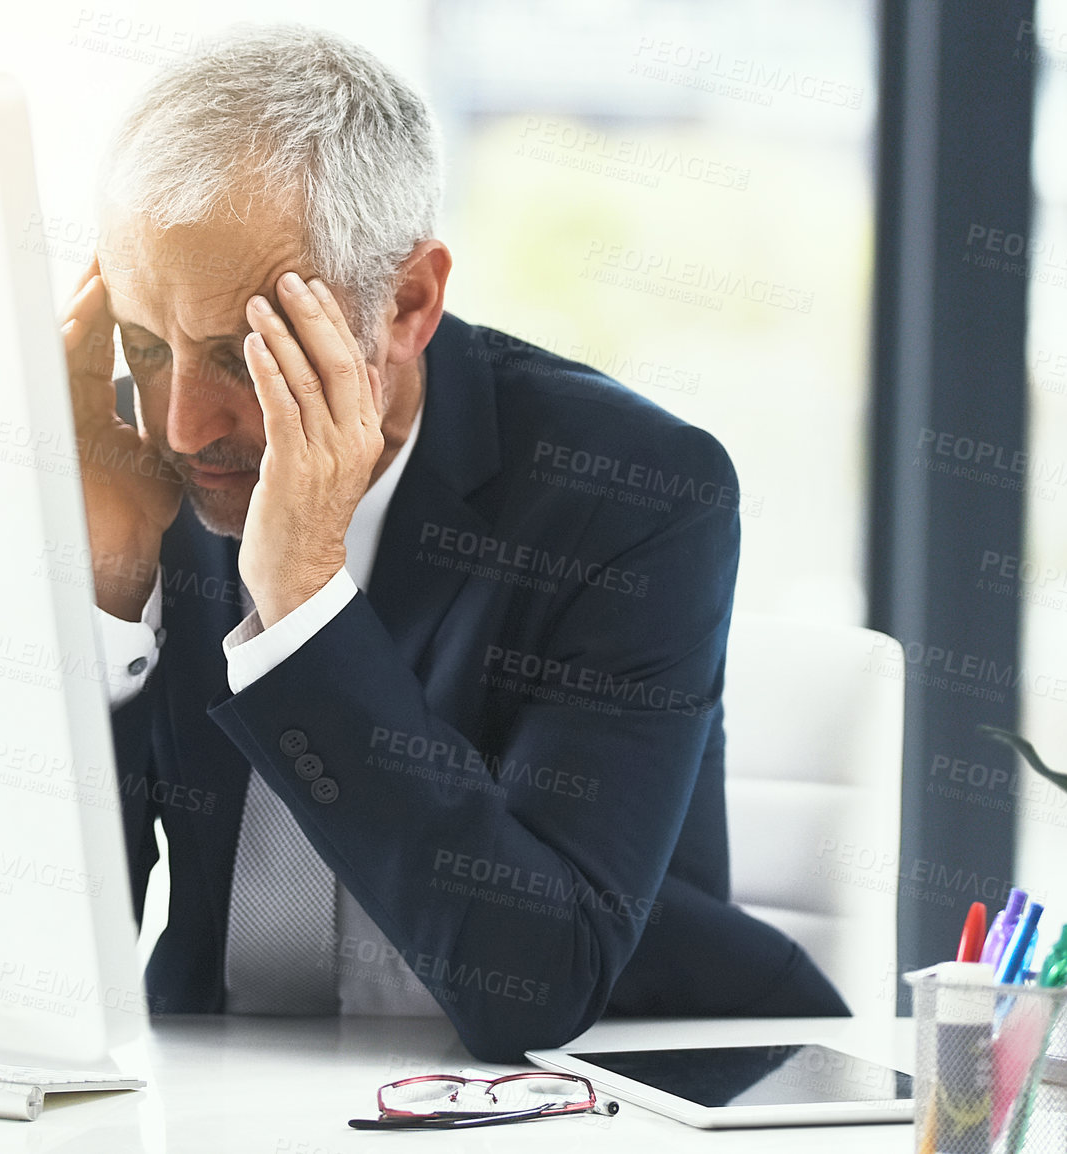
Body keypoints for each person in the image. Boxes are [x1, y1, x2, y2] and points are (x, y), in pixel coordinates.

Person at [66, 23, 847, 1063]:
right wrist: (109, 590)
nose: (183, 425)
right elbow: (40, 956)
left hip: (601, 1097)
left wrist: (300, 603)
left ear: (405, 303)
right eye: (149, 346)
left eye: (242, 353)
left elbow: (534, 982)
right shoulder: (135, 465)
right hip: (228, 1093)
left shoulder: (634, 494)